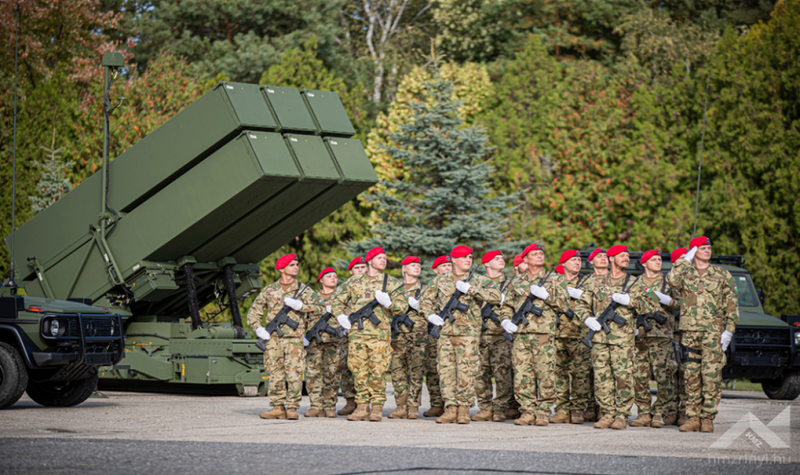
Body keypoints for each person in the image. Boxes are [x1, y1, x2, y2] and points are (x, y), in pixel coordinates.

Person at [576, 245, 660, 430]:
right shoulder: (595, 281)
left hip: (623, 340)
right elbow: (581, 304)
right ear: (611, 258)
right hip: (599, 338)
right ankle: (607, 414)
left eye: (627, 255)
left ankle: (621, 415)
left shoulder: (635, 282)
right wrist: (588, 318)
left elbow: (652, 305)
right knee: (601, 378)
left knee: (624, 377)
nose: (626, 258)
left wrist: (631, 302)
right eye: (621, 255)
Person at [422, 245, 501, 424]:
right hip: (445, 333)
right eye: (464, 257)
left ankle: (464, 409)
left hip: (468, 334)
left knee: (467, 370)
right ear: (453, 260)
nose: (468, 259)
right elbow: (425, 300)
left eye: (470, 257)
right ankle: (451, 408)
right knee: (446, 370)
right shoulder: (440, 280)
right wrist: (431, 315)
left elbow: (496, 296)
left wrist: (471, 290)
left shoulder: (478, 280)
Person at [667, 237, 738, 433]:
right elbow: (672, 281)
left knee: (711, 376)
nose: (707, 251)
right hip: (689, 332)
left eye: (709, 247)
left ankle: (707, 418)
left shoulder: (721, 274)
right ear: (693, 251)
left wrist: (729, 330)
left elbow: (731, 302)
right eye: (702, 248)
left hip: (712, 332)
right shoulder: (685, 273)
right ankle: (692, 417)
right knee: (691, 376)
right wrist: (684, 260)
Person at [499, 243, 570, 426]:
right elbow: (506, 306)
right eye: (535, 254)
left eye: (541, 253)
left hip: (543, 334)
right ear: (525, 259)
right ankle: (527, 411)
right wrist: (506, 321)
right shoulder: (516, 282)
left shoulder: (553, 279)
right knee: (523, 374)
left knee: (545, 373)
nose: (540, 256)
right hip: (521, 334)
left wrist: (547, 297)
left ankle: (543, 411)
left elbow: (564, 305)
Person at [249, 254, 324, 420]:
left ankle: (292, 407)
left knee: (294, 373)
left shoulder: (303, 290)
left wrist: (302, 306)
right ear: (282, 269)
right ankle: (277, 407)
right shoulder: (269, 290)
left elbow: (321, 309)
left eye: (297, 264)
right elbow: (254, 312)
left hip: (294, 339)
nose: (296, 267)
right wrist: (258, 328)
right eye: (292, 265)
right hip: (272, 339)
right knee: (274, 372)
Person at [333, 247, 404, 422]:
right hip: (357, 335)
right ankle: (362, 407)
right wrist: (341, 316)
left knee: (378, 371)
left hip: (379, 335)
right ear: (369, 261)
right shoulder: (354, 282)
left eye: (384, 258)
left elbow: (402, 307)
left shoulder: (391, 282)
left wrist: (388, 303)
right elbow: (337, 301)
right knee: (358, 371)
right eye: (379, 257)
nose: (383, 260)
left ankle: (377, 408)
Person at [628, 250, 679, 428]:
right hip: (640, 337)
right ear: (644, 263)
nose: (658, 262)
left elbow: (685, 304)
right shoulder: (634, 283)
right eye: (654, 259)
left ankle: (659, 412)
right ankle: (643, 413)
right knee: (638, 377)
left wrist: (671, 302)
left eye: (659, 259)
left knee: (664, 376)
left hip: (661, 336)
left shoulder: (669, 282)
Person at [551, 249, 594, 425]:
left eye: (578, 260)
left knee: (580, 374)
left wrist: (582, 296)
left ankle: (577, 410)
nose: (577, 262)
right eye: (573, 260)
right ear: (563, 264)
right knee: (558, 374)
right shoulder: (554, 282)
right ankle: (561, 410)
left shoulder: (587, 281)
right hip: (558, 333)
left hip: (579, 334)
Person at [472, 250, 515, 422]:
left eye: (502, 258)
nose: (501, 261)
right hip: (479, 335)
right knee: (480, 373)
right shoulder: (477, 282)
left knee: (502, 373)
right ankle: (485, 407)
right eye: (496, 259)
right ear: (486, 264)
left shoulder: (510, 283)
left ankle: (500, 408)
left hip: (500, 335)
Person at [387, 256, 427, 420]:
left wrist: (420, 305)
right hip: (397, 337)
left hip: (417, 337)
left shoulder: (425, 289)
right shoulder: (394, 289)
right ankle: (400, 406)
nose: (417, 267)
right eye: (412, 265)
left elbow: (434, 309)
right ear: (404, 268)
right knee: (397, 373)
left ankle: (413, 407)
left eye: (418, 265)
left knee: (416, 372)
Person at [305, 266, 344, 418]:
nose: (333, 278)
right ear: (321, 280)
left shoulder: (341, 296)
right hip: (315, 342)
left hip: (334, 342)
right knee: (313, 374)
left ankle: (329, 406)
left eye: (335, 276)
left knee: (332, 374)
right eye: (329, 276)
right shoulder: (312, 297)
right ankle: (315, 406)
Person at [421, 255, 451, 418]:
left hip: (454, 333)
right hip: (434, 333)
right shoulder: (431, 287)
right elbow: (424, 305)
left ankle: (451, 405)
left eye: (449, 265)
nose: (448, 268)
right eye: (444, 265)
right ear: (435, 270)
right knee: (433, 370)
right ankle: (436, 404)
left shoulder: (457, 286)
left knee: (451, 370)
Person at [337, 256, 366, 416]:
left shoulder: (372, 285)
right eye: (357, 268)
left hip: (368, 333)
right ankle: (350, 401)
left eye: (363, 267)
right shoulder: (344, 287)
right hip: (348, 334)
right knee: (348, 367)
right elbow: (336, 306)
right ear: (350, 271)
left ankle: (365, 402)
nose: (360, 270)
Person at [669, 247, 688, 426]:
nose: (686, 261)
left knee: (686, 373)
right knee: (670, 373)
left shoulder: (694, 279)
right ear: (675, 262)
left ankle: (684, 412)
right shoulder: (669, 280)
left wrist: (673, 303)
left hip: (688, 332)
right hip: (672, 333)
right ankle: (671, 410)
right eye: (682, 258)